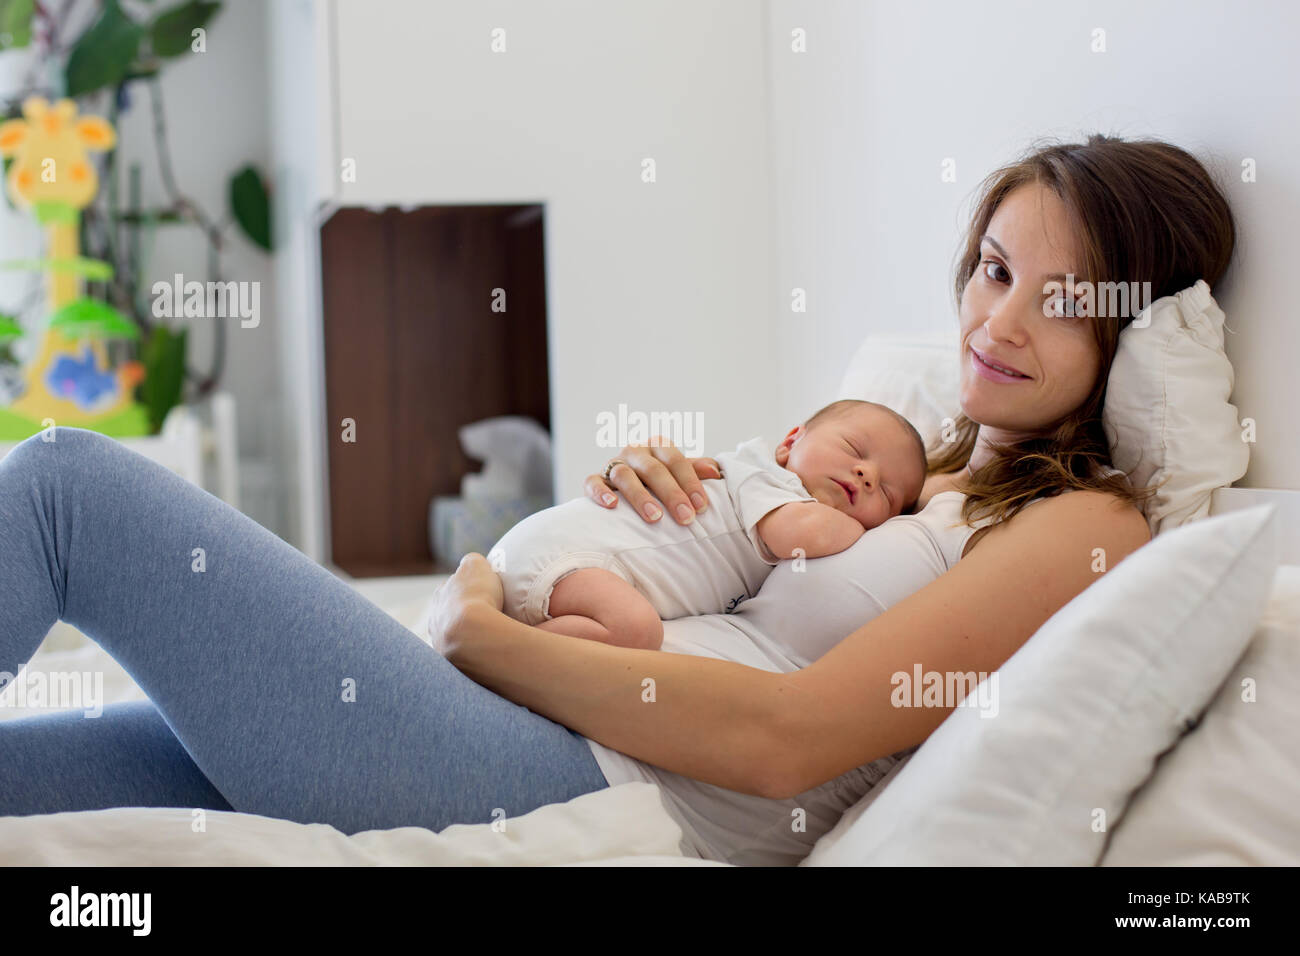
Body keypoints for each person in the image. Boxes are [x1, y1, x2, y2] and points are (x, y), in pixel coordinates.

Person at [0, 134, 1233, 866]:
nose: (998, 320)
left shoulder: (1088, 524)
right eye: (993, 269)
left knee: (66, 486)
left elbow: (787, 736)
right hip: (503, 705)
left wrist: (488, 630)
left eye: (1063, 299)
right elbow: (724, 561)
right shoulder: (915, 465)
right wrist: (641, 502)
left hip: (556, 764)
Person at [486, 398, 927, 650]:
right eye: (854, 448)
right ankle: (498, 648)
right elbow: (799, 535)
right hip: (562, 557)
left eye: (886, 494)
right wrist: (867, 527)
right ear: (789, 443)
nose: (867, 475)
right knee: (636, 631)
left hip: (572, 571)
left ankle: (502, 640)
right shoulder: (766, 479)